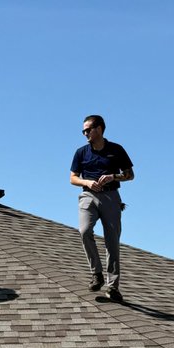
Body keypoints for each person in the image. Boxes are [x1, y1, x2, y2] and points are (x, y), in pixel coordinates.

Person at [69, 114, 134, 303]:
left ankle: (113, 288)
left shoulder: (116, 149)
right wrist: (87, 182)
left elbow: (130, 175)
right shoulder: (81, 152)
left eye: (88, 130)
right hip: (88, 195)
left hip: (111, 196)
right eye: (84, 131)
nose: (85, 134)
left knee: (112, 242)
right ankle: (96, 273)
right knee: (85, 231)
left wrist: (113, 176)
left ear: (99, 129)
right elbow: (72, 178)